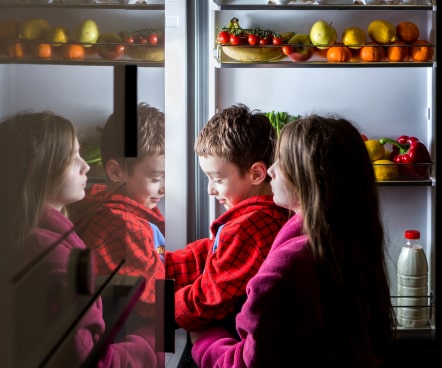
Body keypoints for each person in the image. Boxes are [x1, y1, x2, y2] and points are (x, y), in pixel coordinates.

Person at [190, 114, 396, 367]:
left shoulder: (284, 270)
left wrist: (205, 340)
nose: (272, 170)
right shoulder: (350, 241)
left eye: (282, 161)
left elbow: (246, 363)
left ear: (309, 177)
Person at [0, 111, 161, 367]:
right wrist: (148, 342)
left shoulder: (28, 235)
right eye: (73, 159)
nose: (86, 165)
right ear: (40, 172)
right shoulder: (57, 260)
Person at [165, 104, 290, 343]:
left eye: (218, 179)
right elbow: (212, 253)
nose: (211, 190)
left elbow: (212, 297)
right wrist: (163, 264)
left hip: (235, 340)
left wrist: (164, 309)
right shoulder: (253, 218)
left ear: (255, 174)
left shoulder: (250, 227)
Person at [69, 102, 166, 322]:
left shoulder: (112, 205)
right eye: (154, 178)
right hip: (129, 332)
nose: (164, 188)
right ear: (116, 171)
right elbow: (154, 302)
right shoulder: (123, 226)